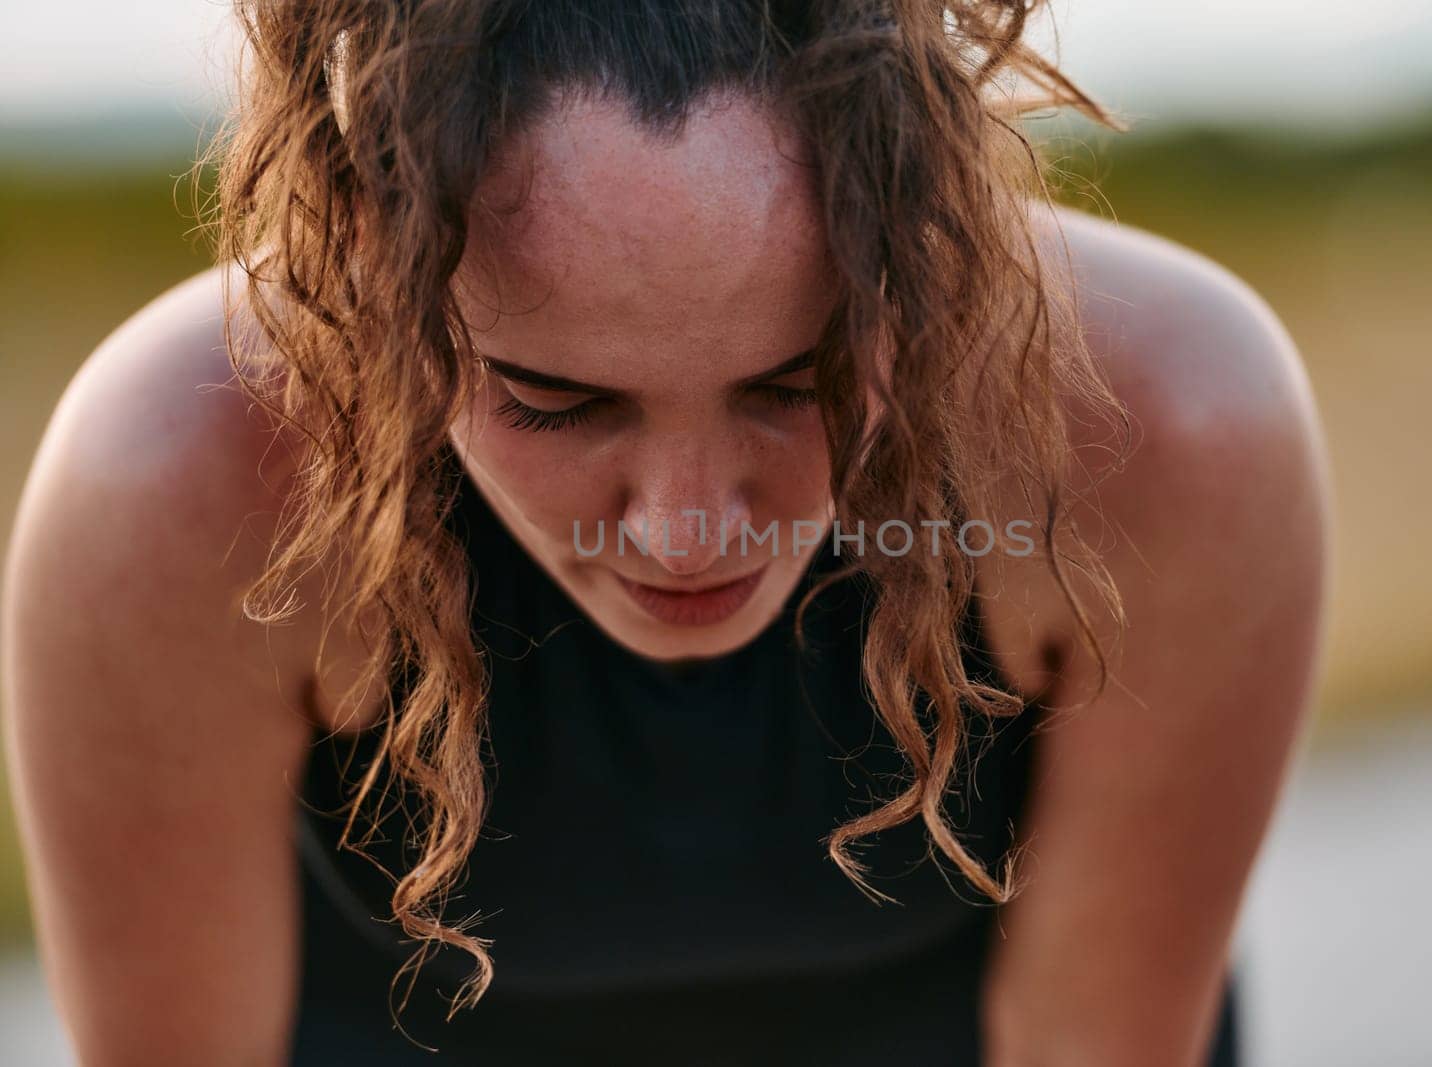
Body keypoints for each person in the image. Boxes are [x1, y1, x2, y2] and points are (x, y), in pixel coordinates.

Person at [1, 1, 1330, 1064]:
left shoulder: (1162, 422)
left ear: (929, 250)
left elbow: (1089, 1050)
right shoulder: (177, 477)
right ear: (370, 256)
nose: (688, 528)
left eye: (797, 383)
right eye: (553, 400)